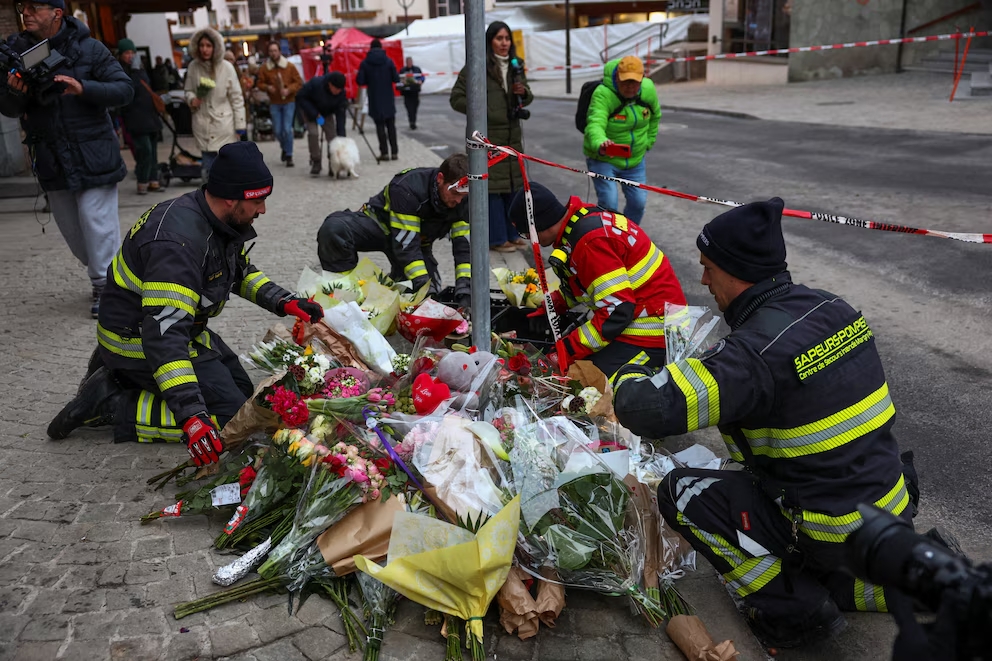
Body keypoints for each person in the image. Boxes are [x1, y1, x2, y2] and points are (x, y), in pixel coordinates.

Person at [611, 199, 920, 649]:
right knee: (776, 485)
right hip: (889, 503)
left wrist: (631, 368)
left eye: (707, 267)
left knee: (682, 491)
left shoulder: (751, 354)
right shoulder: (834, 308)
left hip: (829, 528)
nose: (702, 280)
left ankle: (795, 612)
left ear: (734, 271)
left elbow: (645, 410)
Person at [46, 142, 324, 467]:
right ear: (231, 197)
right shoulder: (177, 247)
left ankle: (121, 379)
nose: (262, 210)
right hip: (138, 340)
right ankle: (111, 403)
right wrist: (192, 416)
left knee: (240, 390)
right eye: (258, 200)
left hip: (176, 328)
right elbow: (164, 341)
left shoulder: (215, 219)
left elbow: (237, 273)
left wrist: (285, 303)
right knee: (234, 420)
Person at [0, 0, 133, 320]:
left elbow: (123, 89)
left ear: (57, 13)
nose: (26, 13)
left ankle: (106, 285)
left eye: (35, 7)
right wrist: (16, 92)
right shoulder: (17, 52)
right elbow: (8, 108)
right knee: (76, 234)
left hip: (92, 152)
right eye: (23, 6)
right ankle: (112, 272)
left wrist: (83, 87)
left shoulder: (91, 49)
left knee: (95, 221)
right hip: (51, 155)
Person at [507, 182, 685, 377]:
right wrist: (557, 303)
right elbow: (587, 282)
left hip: (654, 331)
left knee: (583, 382)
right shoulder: (579, 221)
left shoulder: (589, 242)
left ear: (538, 225)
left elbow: (615, 311)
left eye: (526, 234)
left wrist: (567, 350)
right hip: (640, 316)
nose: (529, 240)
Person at [317, 153, 471, 308]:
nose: (458, 200)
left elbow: (464, 248)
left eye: (463, 196)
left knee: (426, 300)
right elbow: (406, 245)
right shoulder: (408, 188)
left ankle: (392, 285)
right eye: (455, 194)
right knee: (334, 230)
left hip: (416, 242)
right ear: (440, 179)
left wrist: (465, 289)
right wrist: (422, 284)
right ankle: (342, 294)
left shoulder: (464, 200)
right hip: (380, 227)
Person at [450, 21, 533, 254]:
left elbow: (528, 97)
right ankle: (496, 238)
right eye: (499, 38)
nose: (504, 43)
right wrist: (481, 110)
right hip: (488, 138)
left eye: (507, 38)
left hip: (512, 136)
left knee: (511, 187)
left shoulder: (516, 67)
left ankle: (510, 234)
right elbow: (456, 98)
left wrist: (523, 93)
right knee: (492, 189)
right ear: (489, 41)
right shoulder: (476, 67)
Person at [582, 55, 660, 224]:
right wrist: (600, 141)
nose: (631, 87)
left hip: (635, 159)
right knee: (609, 203)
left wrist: (649, 141)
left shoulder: (648, 89)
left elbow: (655, 116)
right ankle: (608, 238)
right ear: (617, 76)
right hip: (604, 158)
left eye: (635, 82)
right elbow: (595, 122)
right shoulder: (603, 94)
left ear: (643, 78)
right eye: (625, 82)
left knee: (638, 203)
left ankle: (625, 236)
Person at [184, 27, 246, 177]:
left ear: (215, 47)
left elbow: (236, 98)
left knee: (227, 169)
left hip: (224, 125)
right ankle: (209, 198)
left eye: (208, 45)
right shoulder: (193, 67)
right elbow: (188, 90)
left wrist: (240, 126)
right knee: (208, 171)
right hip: (202, 124)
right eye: (202, 45)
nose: (205, 49)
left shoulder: (227, 68)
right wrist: (192, 99)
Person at [117, 38, 164, 195]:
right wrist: (136, 73)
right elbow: (129, 90)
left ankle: (153, 180)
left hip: (150, 116)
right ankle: (142, 180)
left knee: (153, 150)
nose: (130, 56)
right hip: (135, 119)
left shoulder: (141, 69)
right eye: (126, 53)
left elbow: (148, 88)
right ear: (121, 55)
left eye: (132, 52)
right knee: (144, 150)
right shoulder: (120, 71)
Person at [255, 41, 303, 167]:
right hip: (275, 102)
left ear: (279, 51)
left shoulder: (289, 66)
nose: (273, 53)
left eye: (275, 50)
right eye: (271, 51)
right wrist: (267, 87)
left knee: (287, 129)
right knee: (277, 130)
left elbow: (298, 82)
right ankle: (285, 147)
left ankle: (289, 155)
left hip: (288, 101)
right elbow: (259, 83)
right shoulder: (265, 68)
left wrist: (289, 89)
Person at [296, 71, 349, 177]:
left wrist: (342, 136)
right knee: (313, 134)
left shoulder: (341, 93)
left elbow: (340, 114)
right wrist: (315, 114)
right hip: (310, 112)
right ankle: (316, 161)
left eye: (340, 89)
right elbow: (300, 97)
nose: (338, 91)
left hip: (326, 113)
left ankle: (333, 163)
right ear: (330, 84)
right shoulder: (315, 84)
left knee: (333, 138)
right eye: (336, 89)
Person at [356, 39, 399, 161]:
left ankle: (384, 153)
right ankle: (394, 152)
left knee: (379, 126)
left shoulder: (365, 63)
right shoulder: (389, 61)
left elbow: (360, 81)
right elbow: (396, 78)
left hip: (375, 98)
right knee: (391, 126)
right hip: (388, 98)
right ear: (381, 47)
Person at [397, 56, 424, 130]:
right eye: (408, 62)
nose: (409, 63)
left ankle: (413, 121)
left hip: (415, 91)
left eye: (410, 62)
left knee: (415, 107)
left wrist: (420, 81)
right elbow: (399, 79)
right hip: (406, 92)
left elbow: (422, 77)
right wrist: (402, 81)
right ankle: (411, 122)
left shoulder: (417, 69)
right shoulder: (403, 70)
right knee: (409, 108)